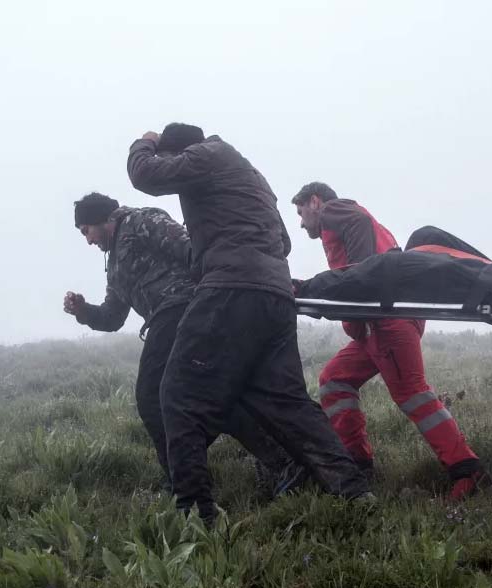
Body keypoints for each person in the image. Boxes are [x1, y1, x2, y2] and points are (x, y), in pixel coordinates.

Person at [127, 124, 371, 522]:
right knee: (288, 402)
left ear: (181, 151)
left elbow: (145, 175)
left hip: (230, 289)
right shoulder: (251, 176)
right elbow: (284, 242)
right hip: (273, 295)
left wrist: (146, 142)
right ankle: (354, 491)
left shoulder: (207, 155)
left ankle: (196, 512)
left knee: (177, 393)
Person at [64, 193, 293, 494]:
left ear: (102, 220)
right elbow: (112, 317)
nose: (88, 240)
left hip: (186, 307)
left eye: (86, 231)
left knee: (150, 396)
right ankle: (278, 460)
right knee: (212, 397)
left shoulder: (141, 220)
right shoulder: (115, 265)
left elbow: (192, 250)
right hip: (167, 318)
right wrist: (83, 312)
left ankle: (180, 480)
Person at [291, 182, 492, 500]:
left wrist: (360, 273)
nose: (302, 222)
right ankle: (357, 464)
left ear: (315, 202)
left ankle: (467, 470)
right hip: (377, 323)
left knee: (412, 394)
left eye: (301, 212)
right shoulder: (340, 226)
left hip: (389, 321)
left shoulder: (336, 211)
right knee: (334, 380)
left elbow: (361, 265)